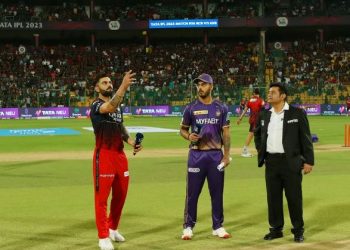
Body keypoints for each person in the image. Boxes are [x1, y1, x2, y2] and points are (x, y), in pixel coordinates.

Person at [254, 83, 314, 243]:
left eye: (273, 92)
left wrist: (309, 161)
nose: (269, 94)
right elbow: (257, 135)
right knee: (273, 198)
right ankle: (276, 229)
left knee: (294, 198)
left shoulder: (297, 113)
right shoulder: (264, 114)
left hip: (291, 162)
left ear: (283, 96)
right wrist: (262, 153)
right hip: (271, 162)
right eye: (269, 92)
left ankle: (298, 230)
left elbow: (306, 138)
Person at [90, 71, 143, 250]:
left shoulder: (117, 107)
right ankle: (103, 236)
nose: (109, 84)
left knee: (120, 195)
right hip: (104, 155)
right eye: (104, 83)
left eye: (110, 82)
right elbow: (109, 108)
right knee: (101, 198)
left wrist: (131, 142)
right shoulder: (96, 105)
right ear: (97, 88)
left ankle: (112, 228)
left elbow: (120, 128)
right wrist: (123, 86)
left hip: (120, 156)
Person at [179, 73, 231, 240]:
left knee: (217, 193)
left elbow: (226, 133)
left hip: (216, 155)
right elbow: (183, 129)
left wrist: (227, 155)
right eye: (198, 85)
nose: (200, 88)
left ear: (211, 86)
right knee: (192, 193)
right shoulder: (191, 108)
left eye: (204, 84)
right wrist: (189, 137)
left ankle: (218, 226)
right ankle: (188, 226)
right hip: (196, 155)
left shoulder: (221, 107)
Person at [237, 88, 265, 157]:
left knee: (258, 135)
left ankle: (262, 150)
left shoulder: (250, 101)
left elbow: (245, 110)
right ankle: (244, 151)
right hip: (257, 121)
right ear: (259, 94)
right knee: (251, 135)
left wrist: (240, 118)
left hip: (252, 120)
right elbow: (264, 111)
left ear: (254, 93)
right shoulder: (261, 101)